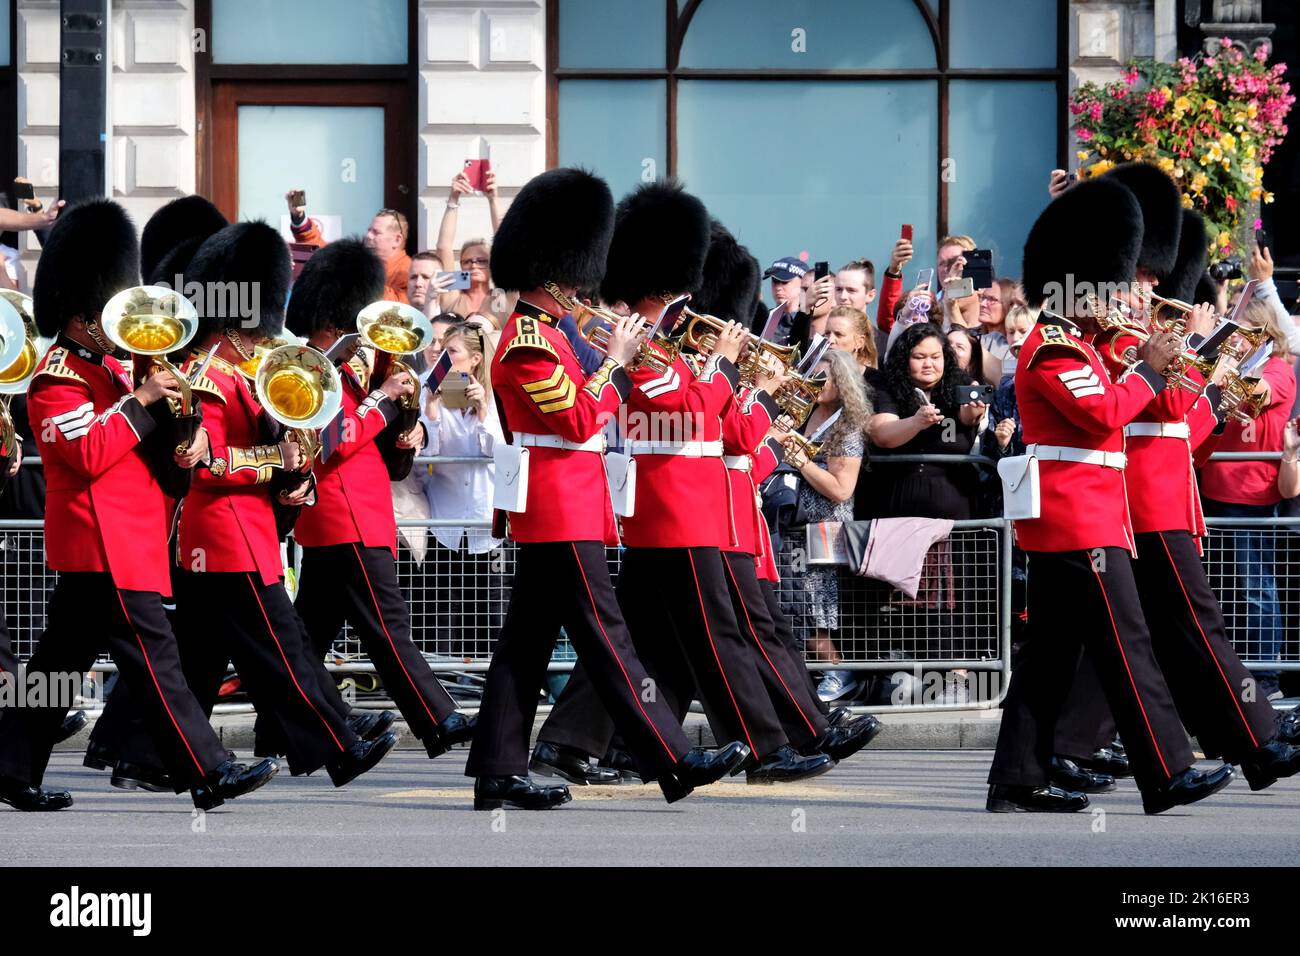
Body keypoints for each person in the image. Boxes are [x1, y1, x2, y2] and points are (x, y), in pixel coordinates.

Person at [465, 167, 749, 810]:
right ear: (559, 272)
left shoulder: (553, 333)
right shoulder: (528, 342)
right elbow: (573, 417)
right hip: (558, 510)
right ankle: (673, 759)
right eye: (575, 280)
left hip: (564, 508)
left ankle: (497, 770)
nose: (581, 292)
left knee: (525, 644)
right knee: (607, 637)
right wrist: (618, 364)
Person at [534, 180, 833, 787]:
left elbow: (713, 412)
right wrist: (723, 367)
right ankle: (766, 749)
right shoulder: (632, 341)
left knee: (642, 641)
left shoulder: (666, 344)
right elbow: (692, 412)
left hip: (682, 507)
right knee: (717, 636)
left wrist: (726, 375)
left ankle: (572, 742)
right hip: (675, 507)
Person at [0, 200, 278, 812]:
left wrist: (184, 434)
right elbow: (90, 451)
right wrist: (142, 399)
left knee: (57, 664)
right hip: (101, 539)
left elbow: (146, 446)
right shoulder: (56, 378)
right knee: (158, 658)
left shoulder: (110, 369)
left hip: (125, 537)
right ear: (79, 315)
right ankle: (209, 770)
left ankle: (12, 767)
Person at [986, 175, 1232, 815]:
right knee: (1129, 644)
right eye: (1113, 284)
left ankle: (1017, 778)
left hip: (1087, 521)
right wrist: (1149, 365)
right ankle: (1168, 772)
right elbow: (1106, 417)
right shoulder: (1054, 348)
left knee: (1049, 659)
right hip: (1078, 523)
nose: (1123, 296)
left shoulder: (1087, 347)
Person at [286, 237, 479, 763]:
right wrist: (382, 399)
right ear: (332, 318)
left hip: (355, 516)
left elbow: (380, 450)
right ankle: (438, 719)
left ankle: (283, 731)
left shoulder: (349, 368)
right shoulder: (309, 370)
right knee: (387, 626)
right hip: (343, 516)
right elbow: (335, 440)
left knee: (304, 640)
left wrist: (406, 424)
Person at [1198, 295, 1297, 703]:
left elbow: (1252, 392)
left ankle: (1266, 678)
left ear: (1261, 333)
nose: (1232, 340)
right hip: (1212, 490)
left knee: (1256, 588)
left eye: (1238, 333)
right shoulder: (1237, 363)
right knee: (1221, 590)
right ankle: (1231, 673)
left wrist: (1211, 360)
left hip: (1250, 494)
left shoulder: (1278, 369)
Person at [772, 349, 872, 704]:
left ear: (840, 382)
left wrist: (800, 462)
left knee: (819, 610)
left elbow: (842, 489)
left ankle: (837, 672)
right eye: (811, 376)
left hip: (827, 527)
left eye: (823, 377)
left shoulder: (847, 425)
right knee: (795, 603)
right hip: (793, 524)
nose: (814, 384)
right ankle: (807, 677)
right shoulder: (802, 414)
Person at [419, 322, 506, 658]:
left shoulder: (497, 396)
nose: (443, 358)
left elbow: (495, 451)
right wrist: (431, 408)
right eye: (441, 351)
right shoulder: (431, 391)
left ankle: (490, 686)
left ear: (475, 359)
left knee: (490, 614)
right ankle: (443, 689)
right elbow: (429, 454)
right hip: (446, 523)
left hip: (487, 524)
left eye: (452, 352)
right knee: (440, 614)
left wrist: (483, 408)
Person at [869, 324, 986, 521]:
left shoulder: (960, 382)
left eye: (935, 357)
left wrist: (973, 409)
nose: (928, 364)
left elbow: (970, 417)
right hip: (896, 502)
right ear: (904, 359)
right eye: (919, 357)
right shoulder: (886, 386)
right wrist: (915, 423)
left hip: (954, 503)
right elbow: (882, 435)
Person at [287, 190, 412, 303]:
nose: (368, 236)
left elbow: (402, 306)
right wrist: (299, 218)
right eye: (369, 230)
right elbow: (321, 250)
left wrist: (357, 280)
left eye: (376, 232)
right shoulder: (358, 256)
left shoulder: (410, 270)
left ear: (397, 240)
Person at [436, 168, 505, 319]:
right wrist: (453, 198)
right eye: (467, 261)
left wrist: (493, 199)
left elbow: (506, 245)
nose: (473, 265)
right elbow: (443, 248)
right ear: (460, 267)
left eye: (481, 261)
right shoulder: (454, 296)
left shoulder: (502, 296)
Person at [825, 305, 877, 373]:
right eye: (827, 333)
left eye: (839, 334)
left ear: (859, 342)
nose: (830, 340)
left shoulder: (876, 381)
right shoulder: (813, 373)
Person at [407, 250, 455, 316]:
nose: (418, 283)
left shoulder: (452, 323)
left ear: (442, 281)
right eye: (413, 277)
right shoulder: (393, 321)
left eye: (426, 277)